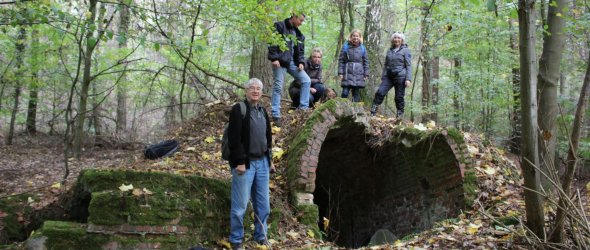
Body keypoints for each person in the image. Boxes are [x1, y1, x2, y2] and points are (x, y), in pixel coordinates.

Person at [227, 78, 275, 250]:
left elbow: (268, 138)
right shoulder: (238, 109)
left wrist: (270, 160)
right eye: (252, 88)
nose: (255, 91)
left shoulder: (263, 110)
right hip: (245, 165)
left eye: (258, 89)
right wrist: (240, 162)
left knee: (263, 206)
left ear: (262, 92)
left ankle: (261, 237)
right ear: (246, 91)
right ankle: (236, 240)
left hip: (262, 163)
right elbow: (234, 140)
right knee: (240, 206)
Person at [268, 13, 311, 126]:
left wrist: (301, 62)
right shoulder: (279, 26)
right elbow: (272, 42)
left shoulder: (298, 34)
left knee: (306, 80)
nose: (301, 23)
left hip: (292, 63)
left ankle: (303, 110)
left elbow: (300, 51)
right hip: (280, 61)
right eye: (300, 20)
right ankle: (276, 115)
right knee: (278, 86)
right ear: (294, 16)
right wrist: (274, 58)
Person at [370, 32, 412, 118]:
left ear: (402, 40)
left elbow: (408, 65)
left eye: (398, 38)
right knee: (380, 92)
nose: (396, 39)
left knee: (399, 97)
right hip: (388, 76)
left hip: (401, 76)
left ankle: (399, 115)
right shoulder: (390, 50)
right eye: (395, 38)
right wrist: (384, 76)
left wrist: (408, 79)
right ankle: (373, 110)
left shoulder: (406, 50)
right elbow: (386, 64)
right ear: (392, 40)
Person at [338, 29, 369, 102]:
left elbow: (366, 62)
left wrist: (366, 74)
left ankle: (355, 112)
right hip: (347, 73)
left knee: (356, 94)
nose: (355, 38)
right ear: (351, 37)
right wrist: (340, 73)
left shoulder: (362, 48)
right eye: (354, 36)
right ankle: (341, 109)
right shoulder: (346, 47)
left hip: (358, 74)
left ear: (360, 37)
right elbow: (341, 60)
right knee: (345, 93)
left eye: (357, 36)